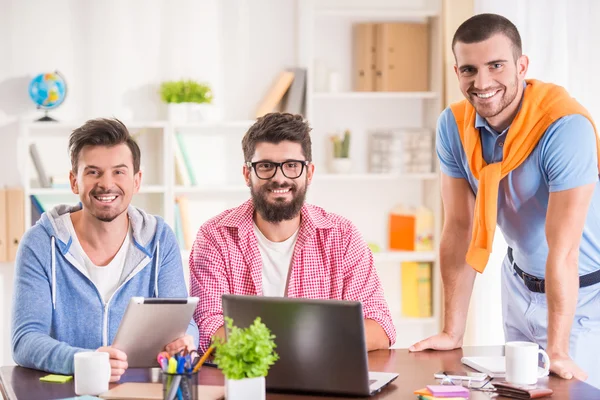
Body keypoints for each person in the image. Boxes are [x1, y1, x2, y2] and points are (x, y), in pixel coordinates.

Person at [409, 13, 600, 387]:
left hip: (584, 293)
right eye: (469, 70)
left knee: (569, 393)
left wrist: (558, 351)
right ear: (457, 71)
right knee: (517, 393)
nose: (482, 83)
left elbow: (563, 252)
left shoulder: (563, 127)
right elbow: (460, 228)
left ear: (521, 66)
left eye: (496, 65)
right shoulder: (454, 125)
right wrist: (452, 332)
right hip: (517, 284)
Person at [190, 112, 395, 353]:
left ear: (309, 172)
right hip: (245, 379)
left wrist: (291, 345)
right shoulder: (215, 236)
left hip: (324, 381)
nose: (279, 178)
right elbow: (208, 329)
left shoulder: (342, 236)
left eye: (291, 166)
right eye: (266, 166)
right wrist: (302, 343)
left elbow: (379, 327)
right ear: (247, 174)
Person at [11, 118, 198, 381]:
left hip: (141, 391)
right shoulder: (40, 242)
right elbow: (25, 340)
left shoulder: (160, 238)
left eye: (119, 172)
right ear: (74, 181)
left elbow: (182, 322)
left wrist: (186, 341)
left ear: (137, 180)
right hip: (68, 391)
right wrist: (88, 362)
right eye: (93, 172)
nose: (106, 184)